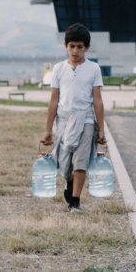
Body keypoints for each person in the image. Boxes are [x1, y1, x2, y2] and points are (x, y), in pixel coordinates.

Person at [40, 23, 106, 210]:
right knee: (64, 162)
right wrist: (47, 131)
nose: (75, 50)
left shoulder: (94, 69)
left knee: (81, 160)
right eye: (72, 46)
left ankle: (75, 202)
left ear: (87, 48)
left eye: (79, 46)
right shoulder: (59, 69)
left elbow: (97, 101)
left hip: (85, 120)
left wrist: (101, 129)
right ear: (65, 46)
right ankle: (69, 183)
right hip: (63, 120)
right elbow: (53, 101)